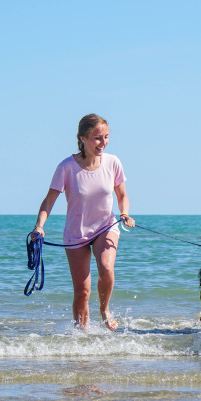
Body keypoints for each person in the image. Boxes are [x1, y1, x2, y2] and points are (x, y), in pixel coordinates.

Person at [31, 114, 135, 330]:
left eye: (106, 137)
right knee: (82, 291)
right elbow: (49, 201)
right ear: (82, 139)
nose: (103, 143)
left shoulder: (113, 162)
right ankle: (82, 337)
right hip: (76, 232)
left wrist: (125, 213)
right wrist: (39, 226)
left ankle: (105, 309)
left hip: (106, 226)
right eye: (97, 138)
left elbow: (122, 195)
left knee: (106, 268)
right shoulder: (66, 167)